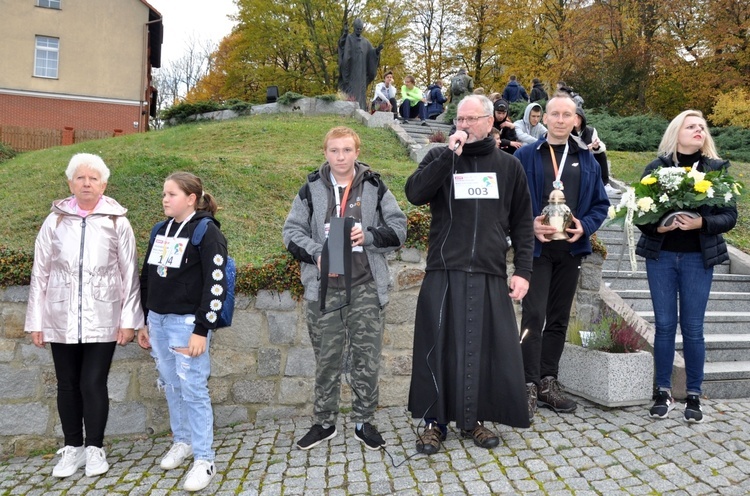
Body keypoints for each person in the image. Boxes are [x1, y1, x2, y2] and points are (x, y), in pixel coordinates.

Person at [406, 95, 534, 455]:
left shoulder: (509, 167)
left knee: (485, 350)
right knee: (437, 348)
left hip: (490, 271)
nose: (462, 125)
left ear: (490, 122)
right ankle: (433, 422)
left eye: (470, 119)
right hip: (445, 269)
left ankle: (474, 418)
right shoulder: (439, 157)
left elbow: (524, 224)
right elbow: (415, 193)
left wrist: (523, 271)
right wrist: (449, 156)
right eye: (458, 119)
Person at [283, 126, 407, 452]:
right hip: (324, 289)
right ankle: (324, 422)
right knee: (327, 359)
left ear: (357, 152)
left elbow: (398, 228)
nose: (341, 156)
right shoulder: (309, 189)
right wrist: (315, 253)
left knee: (366, 358)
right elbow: (291, 231)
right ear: (325, 152)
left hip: (365, 285)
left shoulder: (375, 187)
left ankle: (364, 421)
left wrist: (367, 236)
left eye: (347, 150)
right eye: (334, 150)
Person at [25, 153, 143, 479]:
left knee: (92, 383)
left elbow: (129, 273)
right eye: (80, 178)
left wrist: (129, 320)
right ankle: (72, 448)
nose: (86, 183)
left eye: (93, 178)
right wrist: (36, 321)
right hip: (60, 315)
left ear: (104, 184)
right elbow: (41, 273)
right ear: (70, 183)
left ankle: (95, 448)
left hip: (104, 315)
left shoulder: (117, 221)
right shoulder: (55, 220)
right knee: (67, 385)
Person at [637, 110, 737, 423]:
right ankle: (662, 392)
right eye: (691, 126)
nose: (698, 130)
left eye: (702, 127)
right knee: (665, 326)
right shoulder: (656, 168)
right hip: (662, 257)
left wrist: (701, 222)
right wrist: (659, 228)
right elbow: (640, 214)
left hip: (697, 259)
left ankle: (693, 395)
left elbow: (729, 216)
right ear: (676, 132)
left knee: (693, 329)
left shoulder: (717, 170)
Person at [515, 93, 609, 421]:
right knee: (533, 315)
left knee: (557, 318)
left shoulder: (586, 159)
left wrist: (586, 226)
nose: (558, 119)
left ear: (575, 120)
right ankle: (525, 383)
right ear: (544, 118)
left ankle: (547, 381)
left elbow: (601, 204)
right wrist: (528, 226)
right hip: (536, 250)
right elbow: (509, 201)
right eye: (553, 114)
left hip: (570, 251)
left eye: (566, 115)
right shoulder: (527, 154)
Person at [138, 172, 229, 492]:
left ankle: (205, 459)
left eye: (171, 194)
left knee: (193, 388)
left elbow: (215, 284)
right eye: (164, 193)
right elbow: (147, 276)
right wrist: (145, 320)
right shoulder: (160, 230)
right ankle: (183, 441)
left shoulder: (207, 232)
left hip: (187, 324)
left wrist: (202, 329)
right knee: (172, 384)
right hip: (159, 323)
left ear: (191, 198)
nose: (164, 199)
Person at [572, 107, 619, 196]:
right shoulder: (567, 131)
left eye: (578, 117)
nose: (576, 120)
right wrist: (585, 149)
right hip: (574, 158)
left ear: (582, 119)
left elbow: (601, 147)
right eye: (574, 117)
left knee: (601, 155)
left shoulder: (590, 130)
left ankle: (605, 184)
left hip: (588, 158)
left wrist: (596, 146)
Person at [338, 19, 382, 111]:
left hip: (362, 71)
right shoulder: (349, 38)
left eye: (360, 29)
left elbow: (371, 53)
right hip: (351, 71)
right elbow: (342, 45)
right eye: (357, 29)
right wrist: (345, 33)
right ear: (354, 28)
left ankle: (361, 109)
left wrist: (377, 51)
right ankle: (351, 109)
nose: (359, 30)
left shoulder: (365, 42)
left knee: (361, 91)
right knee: (352, 90)